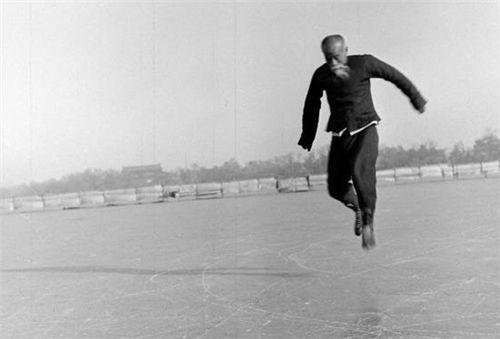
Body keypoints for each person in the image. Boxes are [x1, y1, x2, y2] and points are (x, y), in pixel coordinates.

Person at [298, 35, 426, 250]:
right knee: (336, 187)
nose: (333, 63)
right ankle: (357, 207)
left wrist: (416, 98)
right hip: (340, 134)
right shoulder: (321, 75)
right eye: (328, 58)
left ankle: (368, 221)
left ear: (346, 50)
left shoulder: (364, 63)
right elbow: (312, 104)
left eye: (337, 57)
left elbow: (395, 76)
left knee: (361, 171)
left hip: (366, 128)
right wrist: (307, 135)